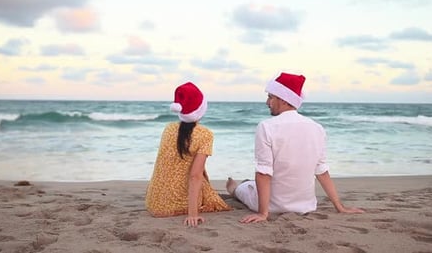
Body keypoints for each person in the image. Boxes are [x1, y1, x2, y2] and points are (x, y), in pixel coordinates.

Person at [226, 72, 364, 223]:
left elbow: (264, 173)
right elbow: (322, 171)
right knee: (254, 183)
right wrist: (340, 207)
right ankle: (245, 184)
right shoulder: (317, 128)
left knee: (244, 189)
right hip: (306, 206)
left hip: (273, 205)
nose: (267, 102)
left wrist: (263, 213)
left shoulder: (266, 127)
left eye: (271, 97)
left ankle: (236, 189)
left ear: (284, 100)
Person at [146, 82, 231, 226]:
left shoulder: (168, 128)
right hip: (177, 205)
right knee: (210, 194)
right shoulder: (205, 134)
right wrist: (193, 214)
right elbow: (195, 175)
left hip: (154, 203)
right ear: (201, 109)